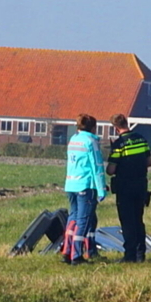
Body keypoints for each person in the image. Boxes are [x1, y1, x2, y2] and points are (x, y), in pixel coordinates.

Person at [106, 113, 151, 262]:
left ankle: (130, 255)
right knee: (138, 219)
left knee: (127, 221)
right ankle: (141, 253)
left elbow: (111, 170)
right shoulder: (141, 139)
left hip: (125, 186)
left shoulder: (119, 144)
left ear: (115, 128)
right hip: (140, 185)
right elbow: (149, 162)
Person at [64, 113, 106, 265]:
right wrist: (101, 190)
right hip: (85, 185)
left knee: (73, 217)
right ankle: (76, 255)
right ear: (93, 128)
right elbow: (97, 167)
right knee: (83, 221)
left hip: (70, 184)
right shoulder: (90, 141)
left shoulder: (73, 139)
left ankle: (66, 251)